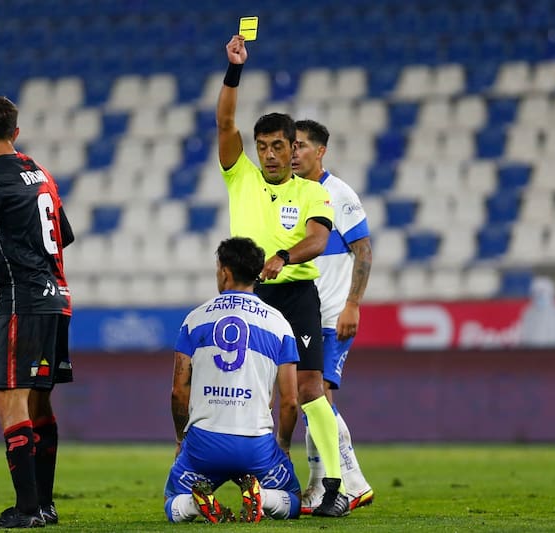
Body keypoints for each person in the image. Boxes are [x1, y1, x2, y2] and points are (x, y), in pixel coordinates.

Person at [216, 35, 348, 517]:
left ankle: (332, 485)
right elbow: (225, 121)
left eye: (278, 146)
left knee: (310, 386)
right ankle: (255, 471)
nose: (269, 154)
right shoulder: (240, 175)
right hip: (250, 299)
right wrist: (234, 70)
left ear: (295, 148)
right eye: (263, 146)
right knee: (248, 390)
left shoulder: (312, 191)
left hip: (294, 295)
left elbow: (318, 239)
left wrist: (283, 258)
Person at [0, 96, 75, 529]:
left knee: (9, 399)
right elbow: (65, 234)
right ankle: (44, 506)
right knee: (39, 401)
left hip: (23, 301)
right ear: (17, 132)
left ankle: (27, 510)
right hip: (58, 297)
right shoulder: (41, 172)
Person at [165, 237, 302, 523]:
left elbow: (179, 391)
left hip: (205, 443)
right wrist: (283, 446)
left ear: (225, 272)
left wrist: (181, 440)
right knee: (293, 500)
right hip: (256, 444)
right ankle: (262, 497)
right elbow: (290, 402)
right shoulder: (279, 323)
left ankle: (194, 504)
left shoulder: (194, 319)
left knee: (172, 503)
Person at [291, 119, 374, 513]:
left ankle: (349, 482)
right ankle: (323, 485)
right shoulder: (294, 195)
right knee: (310, 400)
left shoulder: (338, 193)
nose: (292, 153)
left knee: (317, 396)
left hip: (332, 316)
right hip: (305, 315)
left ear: (320, 151)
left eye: (301, 146)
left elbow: (364, 251)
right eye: (291, 145)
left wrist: (353, 304)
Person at [518, 276, 555, 348]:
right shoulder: (528, 312)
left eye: (543, 292)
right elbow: (524, 335)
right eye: (536, 293)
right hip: (533, 352)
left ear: (551, 292)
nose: (540, 295)